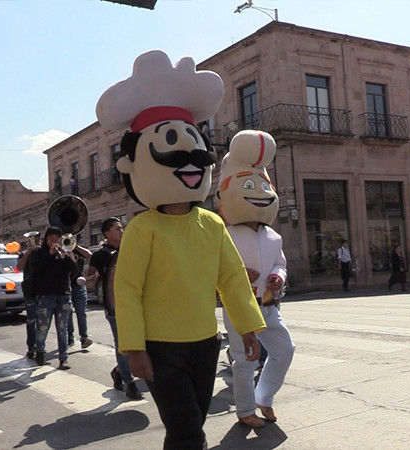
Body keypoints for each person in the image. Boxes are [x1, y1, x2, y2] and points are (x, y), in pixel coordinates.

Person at [96, 50, 266, 449]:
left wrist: (248, 327)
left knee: (188, 426)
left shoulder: (211, 223)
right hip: (160, 347)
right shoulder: (142, 229)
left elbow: (232, 279)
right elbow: (129, 290)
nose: (189, 156)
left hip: (204, 344)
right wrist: (134, 348)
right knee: (188, 430)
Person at [216, 130, 295, 429]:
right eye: (250, 185)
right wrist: (237, 274)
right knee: (245, 360)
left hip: (268, 306)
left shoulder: (273, 235)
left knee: (284, 350)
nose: (260, 192)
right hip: (238, 305)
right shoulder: (223, 233)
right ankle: (245, 410)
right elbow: (215, 269)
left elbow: (280, 263)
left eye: (263, 185)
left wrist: (278, 276)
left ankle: (265, 397)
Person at [85, 217, 143, 400]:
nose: (121, 231)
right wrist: (91, 279)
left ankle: (119, 371)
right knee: (123, 345)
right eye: (117, 228)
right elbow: (90, 279)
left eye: (121, 228)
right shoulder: (101, 254)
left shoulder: (130, 249)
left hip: (136, 302)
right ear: (106, 234)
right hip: (115, 305)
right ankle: (129, 383)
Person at [29, 226, 78, 370]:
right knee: (42, 328)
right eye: (51, 237)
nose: (54, 240)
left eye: (57, 237)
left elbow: (74, 270)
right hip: (45, 296)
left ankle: (63, 359)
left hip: (63, 295)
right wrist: (49, 255)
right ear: (46, 239)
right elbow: (36, 268)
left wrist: (66, 256)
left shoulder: (65, 251)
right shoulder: (38, 252)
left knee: (62, 329)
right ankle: (39, 349)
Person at [17, 232, 40, 359]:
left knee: (42, 321)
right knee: (31, 320)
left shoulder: (43, 252)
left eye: (37, 240)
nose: (35, 242)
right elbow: (19, 267)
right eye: (32, 240)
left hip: (43, 291)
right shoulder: (24, 254)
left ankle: (40, 345)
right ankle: (31, 346)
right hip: (30, 291)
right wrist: (28, 252)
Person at [67, 243, 93, 349]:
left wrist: (75, 246)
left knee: (81, 312)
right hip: (67, 284)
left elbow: (89, 255)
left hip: (79, 284)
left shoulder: (78, 250)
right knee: (68, 313)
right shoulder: (62, 250)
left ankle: (84, 337)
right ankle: (70, 337)